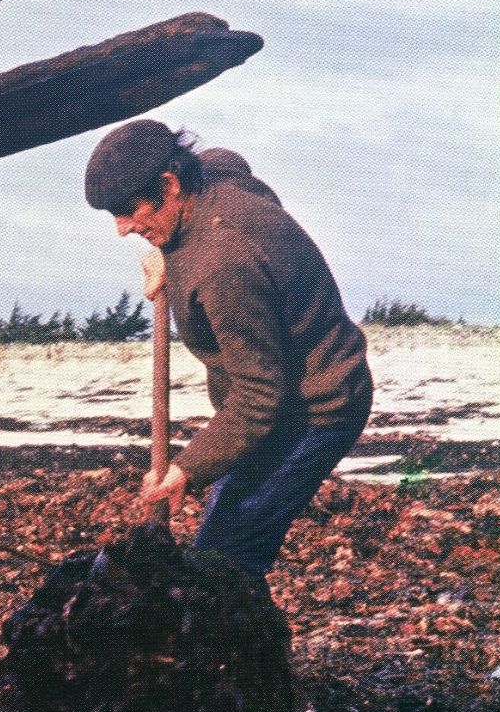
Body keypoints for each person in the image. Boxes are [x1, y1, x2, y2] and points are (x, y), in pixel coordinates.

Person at [83, 119, 372, 577]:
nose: (122, 229)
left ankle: (243, 622)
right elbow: (228, 159)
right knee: (223, 533)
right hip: (285, 394)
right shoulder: (213, 178)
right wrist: (168, 254)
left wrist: (187, 469)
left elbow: (259, 395)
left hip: (314, 408)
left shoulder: (222, 263)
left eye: (129, 210)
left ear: (170, 184)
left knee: (224, 560)